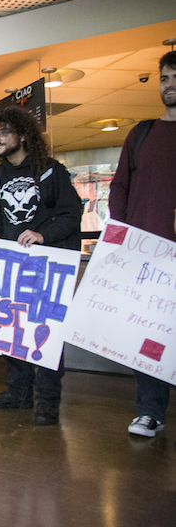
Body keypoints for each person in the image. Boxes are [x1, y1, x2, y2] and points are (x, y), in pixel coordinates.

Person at [0, 106, 81, 426]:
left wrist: (42, 234)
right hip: (12, 265)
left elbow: (70, 215)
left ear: (22, 135)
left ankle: (48, 401)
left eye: (3, 132)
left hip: (47, 265)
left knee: (46, 333)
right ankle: (18, 393)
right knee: (13, 330)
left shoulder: (51, 171)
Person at [109, 51, 176, 437]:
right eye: (165, 78)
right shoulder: (142, 134)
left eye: (175, 78)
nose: (169, 85)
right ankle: (150, 410)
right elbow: (120, 187)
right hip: (145, 256)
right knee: (148, 334)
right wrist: (123, 233)